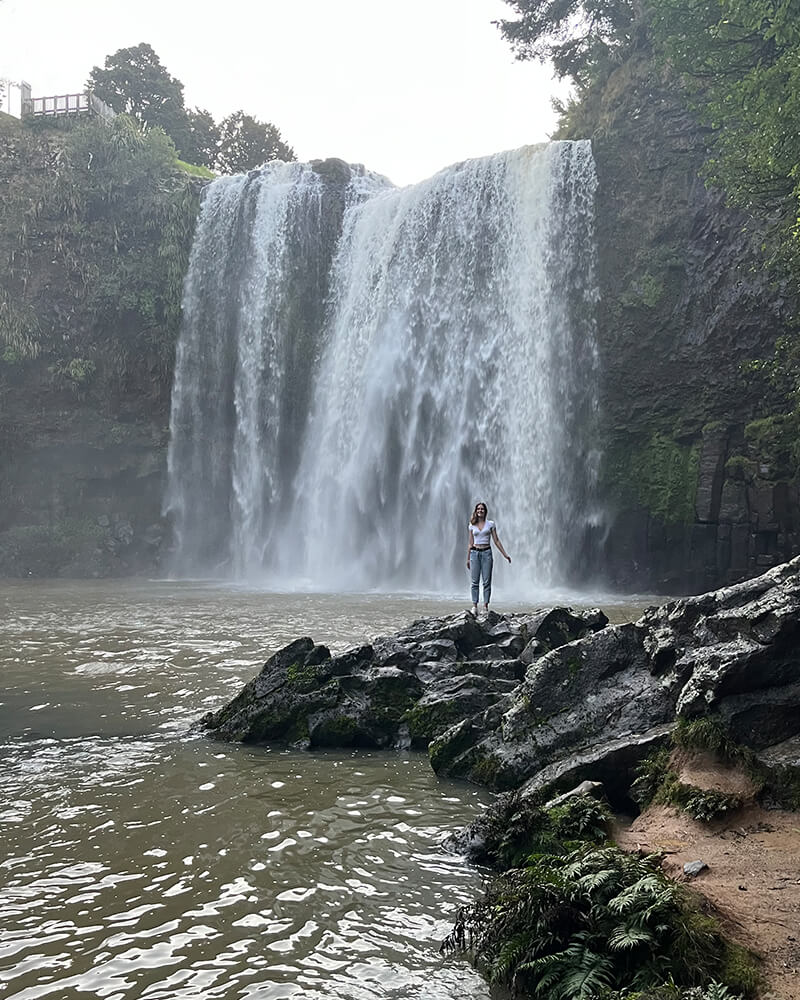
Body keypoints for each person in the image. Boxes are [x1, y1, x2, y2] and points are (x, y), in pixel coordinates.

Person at [466, 502, 511, 617]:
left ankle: (485, 607)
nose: (480, 511)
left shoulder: (490, 524)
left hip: (487, 553)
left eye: (482, 509)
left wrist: (505, 554)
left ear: (485, 511)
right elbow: (470, 543)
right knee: (474, 582)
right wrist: (468, 558)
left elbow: (496, 540)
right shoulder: (472, 525)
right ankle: (474, 606)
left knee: (487, 582)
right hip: (475, 553)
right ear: (476, 511)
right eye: (478, 509)